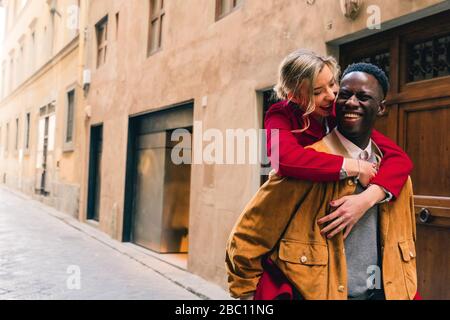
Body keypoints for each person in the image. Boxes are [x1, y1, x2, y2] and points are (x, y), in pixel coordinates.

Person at [226, 63, 418, 300]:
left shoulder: (394, 174)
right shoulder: (299, 161)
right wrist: (247, 296)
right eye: (344, 95)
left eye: (333, 88)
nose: (348, 102)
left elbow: (403, 243)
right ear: (296, 96)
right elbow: (248, 238)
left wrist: (369, 196)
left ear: (380, 108)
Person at [265, 49, 413, 240]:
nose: (331, 96)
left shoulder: (339, 110)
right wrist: (353, 166)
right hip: (292, 212)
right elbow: (282, 159)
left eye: (332, 84)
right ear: (294, 96)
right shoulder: (280, 114)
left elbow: (399, 158)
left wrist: (368, 198)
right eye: (317, 92)